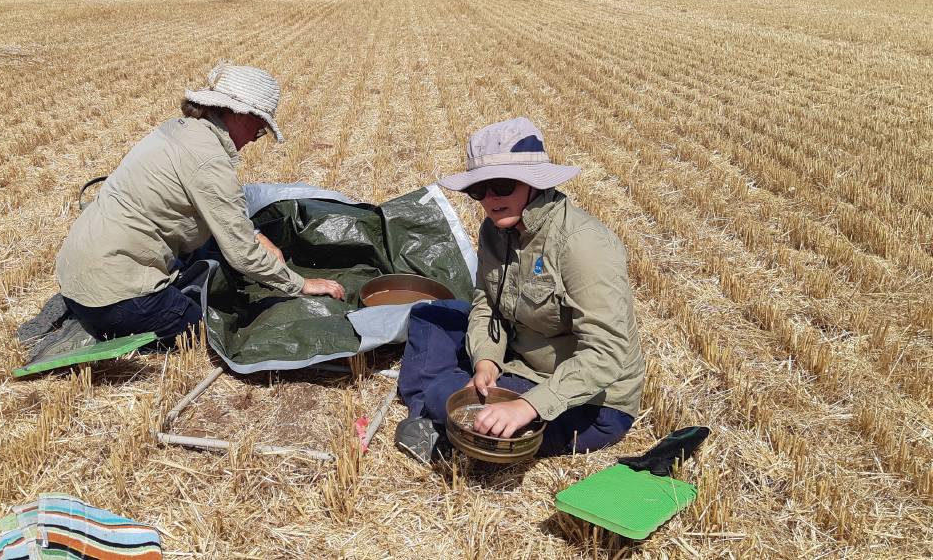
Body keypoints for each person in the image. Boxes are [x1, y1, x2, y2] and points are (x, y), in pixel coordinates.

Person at [395, 117, 644, 464]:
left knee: (446, 397)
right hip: (517, 363)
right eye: (479, 190)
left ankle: (437, 414)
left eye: (502, 186)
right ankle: (439, 412)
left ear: (534, 184)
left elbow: (607, 353)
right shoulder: (493, 231)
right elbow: (487, 306)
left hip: (587, 401)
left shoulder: (583, 245)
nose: (491, 199)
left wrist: (527, 406)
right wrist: (485, 362)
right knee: (431, 314)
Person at [54, 62, 345, 343]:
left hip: (77, 280)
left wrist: (256, 235)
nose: (257, 139)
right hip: (114, 299)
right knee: (205, 329)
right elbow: (242, 253)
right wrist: (300, 284)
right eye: (259, 128)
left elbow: (221, 213)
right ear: (239, 114)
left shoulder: (180, 130)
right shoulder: (209, 162)